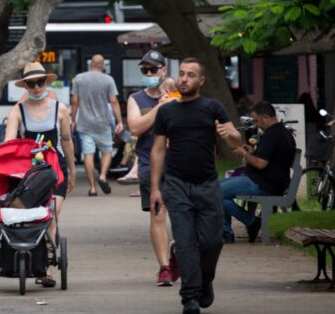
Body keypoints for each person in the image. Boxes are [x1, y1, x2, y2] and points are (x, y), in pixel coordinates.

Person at [150, 57, 242, 314]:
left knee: (212, 241)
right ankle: (189, 298)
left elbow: (236, 142)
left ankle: (206, 279)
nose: (184, 79)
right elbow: (158, 150)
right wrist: (156, 189)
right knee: (185, 242)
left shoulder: (212, 107)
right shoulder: (167, 111)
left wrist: (230, 135)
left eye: (191, 75)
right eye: (182, 74)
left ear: (201, 80)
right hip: (176, 185)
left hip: (208, 184)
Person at [3, 62, 76, 288]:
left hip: (56, 170)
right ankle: (32, 260)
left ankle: (47, 270)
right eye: (31, 83)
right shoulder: (17, 110)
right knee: (31, 216)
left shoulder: (60, 108)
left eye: (40, 82)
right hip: (29, 173)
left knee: (51, 217)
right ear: (25, 85)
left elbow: (66, 140)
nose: (36, 87)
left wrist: (72, 171)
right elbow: (9, 142)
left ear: (47, 82)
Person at [127, 49, 180, 286]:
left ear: (163, 70)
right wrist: (160, 107)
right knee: (158, 217)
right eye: (144, 70)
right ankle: (164, 268)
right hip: (150, 166)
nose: (149, 73)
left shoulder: (180, 97)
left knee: (183, 216)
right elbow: (136, 128)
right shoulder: (136, 99)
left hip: (180, 165)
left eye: (153, 69)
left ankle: (179, 254)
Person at [221, 101, 296, 243]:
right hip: (263, 180)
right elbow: (267, 157)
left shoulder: (273, 135)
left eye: (256, 120)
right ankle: (229, 232)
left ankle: (249, 223)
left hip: (262, 184)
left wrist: (244, 153)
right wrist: (252, 151)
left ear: (266, 117)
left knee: (213, 192)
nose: (255, 124)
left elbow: (261, 164)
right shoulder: (280, 133)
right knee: (214, 191)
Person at [70, 54, 123, 196]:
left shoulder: (79, 78)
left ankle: (92, 188)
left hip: (85, 123)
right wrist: (119, 121)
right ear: (103, 65)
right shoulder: (108, 79)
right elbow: (113, 101)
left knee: (88, 154)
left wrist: (73, 120)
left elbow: (74, 101)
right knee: (106, 151)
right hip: (103, 123)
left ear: (90, 64)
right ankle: (103, 176)